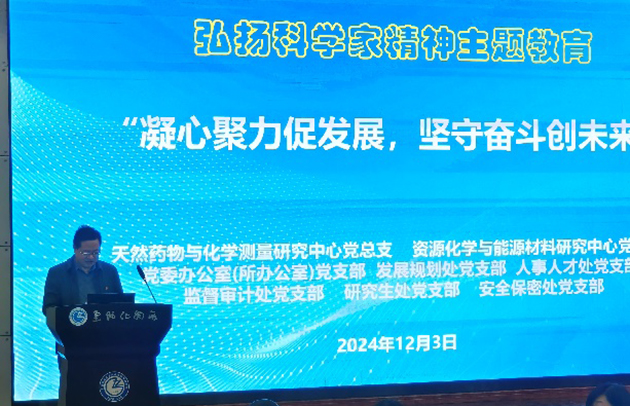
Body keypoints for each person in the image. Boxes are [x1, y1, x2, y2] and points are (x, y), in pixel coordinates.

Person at [42, 225, 123, 314]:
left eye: (95, 252)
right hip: (70, 322)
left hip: (104, 322)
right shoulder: (57, 273)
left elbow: (122, 304)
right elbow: (49, 308)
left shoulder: (110, 271)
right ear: (75, 248)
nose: (91, 257)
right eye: (86, 253)